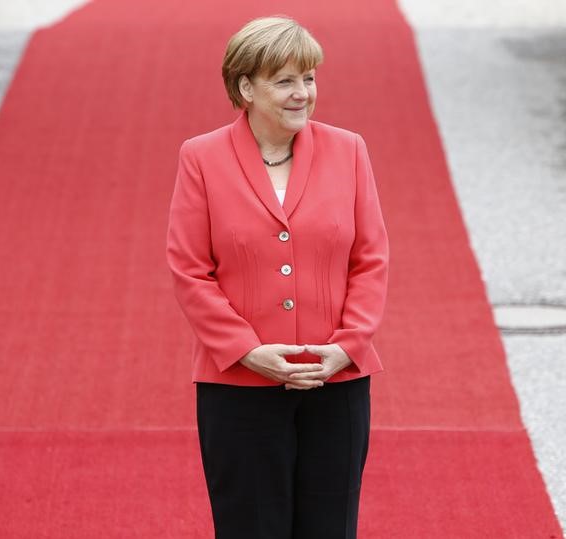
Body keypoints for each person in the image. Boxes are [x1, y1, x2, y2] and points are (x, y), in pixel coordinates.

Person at [166, 15, 389, 539]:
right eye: (285, 81)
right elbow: (189, 269)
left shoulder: (349, 149)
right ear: (245, 87)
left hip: (335, 378)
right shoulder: (200, 157)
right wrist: (246, 349)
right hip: (239, 384)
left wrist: (349, 345)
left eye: (308, 78)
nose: (302, 94)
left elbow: (371, 257)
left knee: (331, 526)